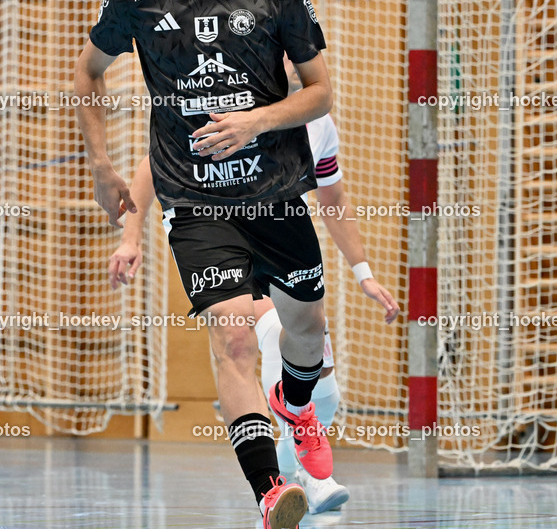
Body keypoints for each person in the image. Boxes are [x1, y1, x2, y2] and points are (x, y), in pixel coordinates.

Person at [74, 0, 339, 527]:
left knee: (307, 328)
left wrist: (254, 120)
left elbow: (320, 92)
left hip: (275, 194)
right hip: (197, 205)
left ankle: (298, 403)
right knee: (235, 339)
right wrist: (104, 167)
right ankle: (271, 491)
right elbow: (88, 75)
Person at [109, 91, 399, 513]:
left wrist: (364, 274)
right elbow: (153, 167)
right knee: (244, 335)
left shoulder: (315, 122)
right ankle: (277, 484)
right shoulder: (217, 97)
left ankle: (299, 450)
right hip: (209, 226)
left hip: (276, 225)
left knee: (316, 358)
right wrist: (130, 237)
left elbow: (333, 199)